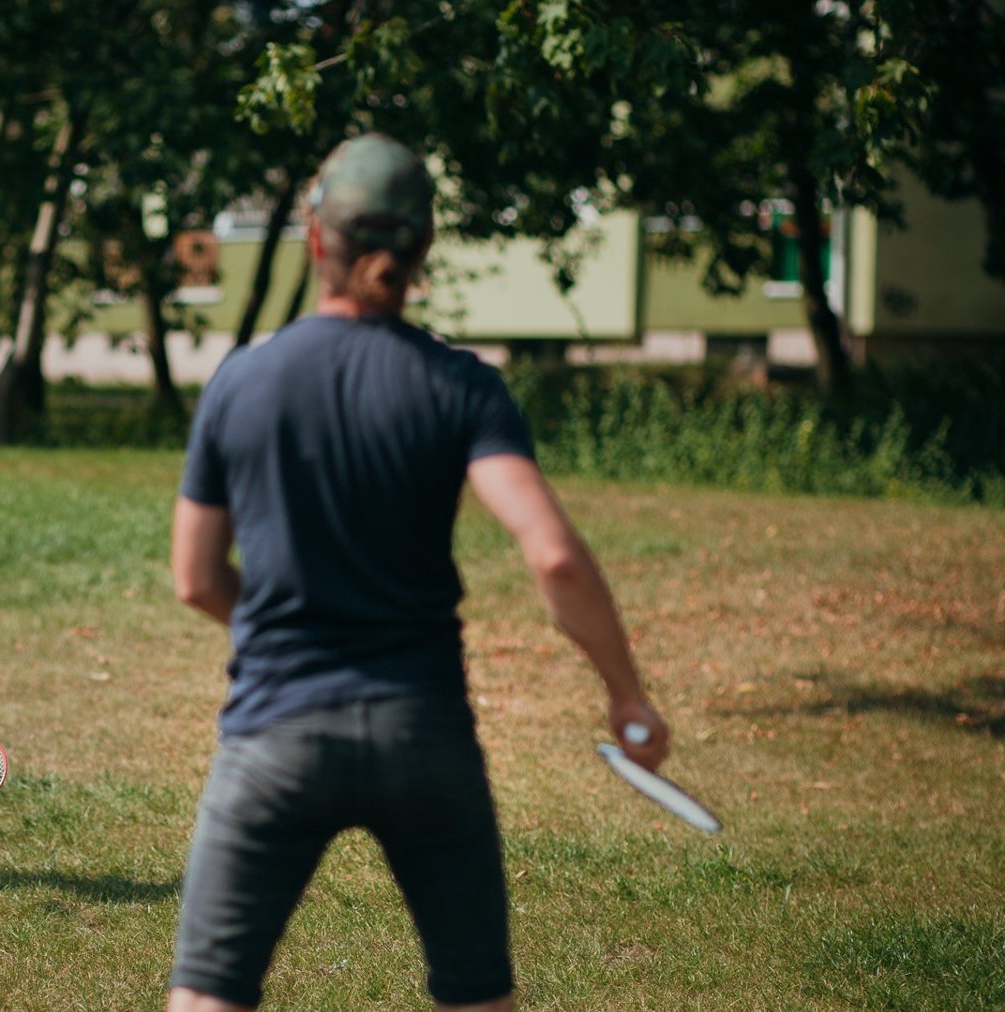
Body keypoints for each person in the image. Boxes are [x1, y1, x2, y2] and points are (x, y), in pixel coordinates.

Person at [165, 134, 672, 1011]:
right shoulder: (464, 387)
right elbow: (553, 554)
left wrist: (287, 620)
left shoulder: (241, 382)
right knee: (476, 995)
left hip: (276, 733)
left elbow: (198, 580)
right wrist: (626, 693)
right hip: (424, 732)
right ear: (422, 249)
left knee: (209, 996)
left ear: (316, 241)